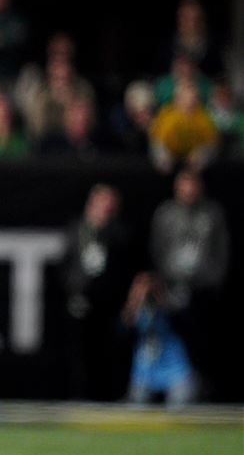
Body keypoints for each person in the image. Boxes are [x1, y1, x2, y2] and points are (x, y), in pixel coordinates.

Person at [148, 169, 229, 396]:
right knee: (174, 341)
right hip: (173, 289)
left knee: (205, 345)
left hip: (204, 291)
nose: (189, 190)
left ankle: (204, 392)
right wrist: (165, 282)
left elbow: (221, 252)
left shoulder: (212, 213)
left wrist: (212, 281)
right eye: (184, 185)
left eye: (193, 185)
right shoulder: (166, 214)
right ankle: (176, 388)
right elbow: (157, 250)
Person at [60, 185, 132, 400]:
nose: (105, 209)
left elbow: (123, 270)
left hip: (109, 306)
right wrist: (73, 292)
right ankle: (80, 398)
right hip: (81, 305)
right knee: (80, 357)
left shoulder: (119, 234)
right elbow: (66, 265)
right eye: (102, 203)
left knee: (108, 355)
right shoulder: (77, 230)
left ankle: (109, 398)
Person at [122, 272, 197, 408]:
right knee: (135, 415)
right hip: (144, 373)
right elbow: (123, 330)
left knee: (180, 416)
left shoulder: (172, 307)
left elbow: (185, 323)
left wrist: (162, 298)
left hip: (175, 371)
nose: (148, 291)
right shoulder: (136, 310)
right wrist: (135, 299)